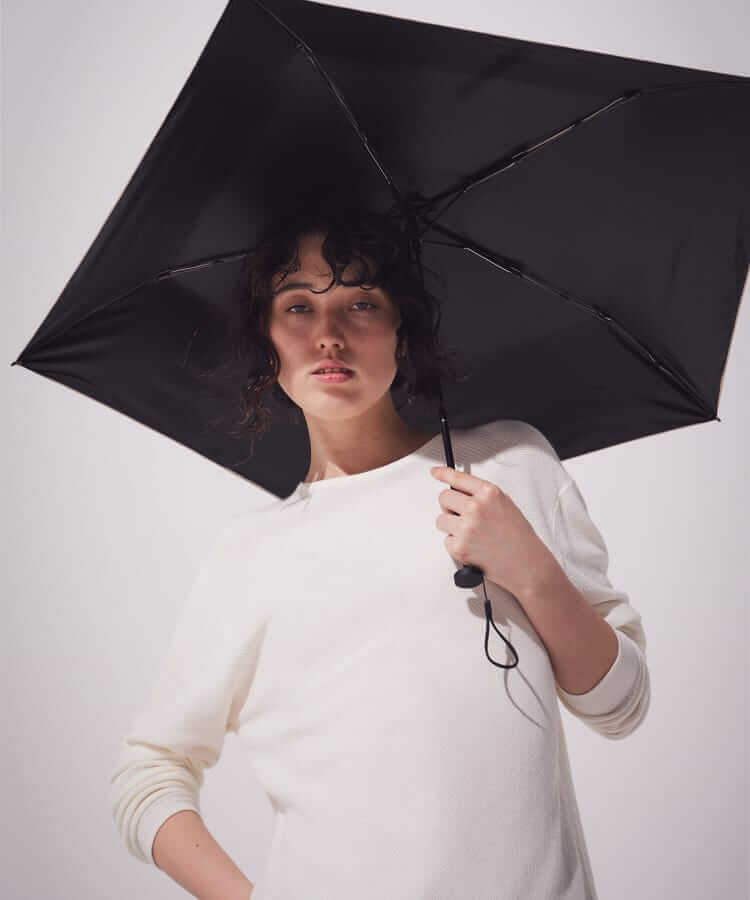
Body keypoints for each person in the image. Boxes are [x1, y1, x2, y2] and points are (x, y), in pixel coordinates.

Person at [109, 204, 650, 900]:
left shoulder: (507, 467)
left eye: (361, 302)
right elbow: (148, 773)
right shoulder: (250, 553)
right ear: (265, 339)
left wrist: (532, 571)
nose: (328, 334)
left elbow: (621, 704)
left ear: (404, 328)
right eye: (297, 306)